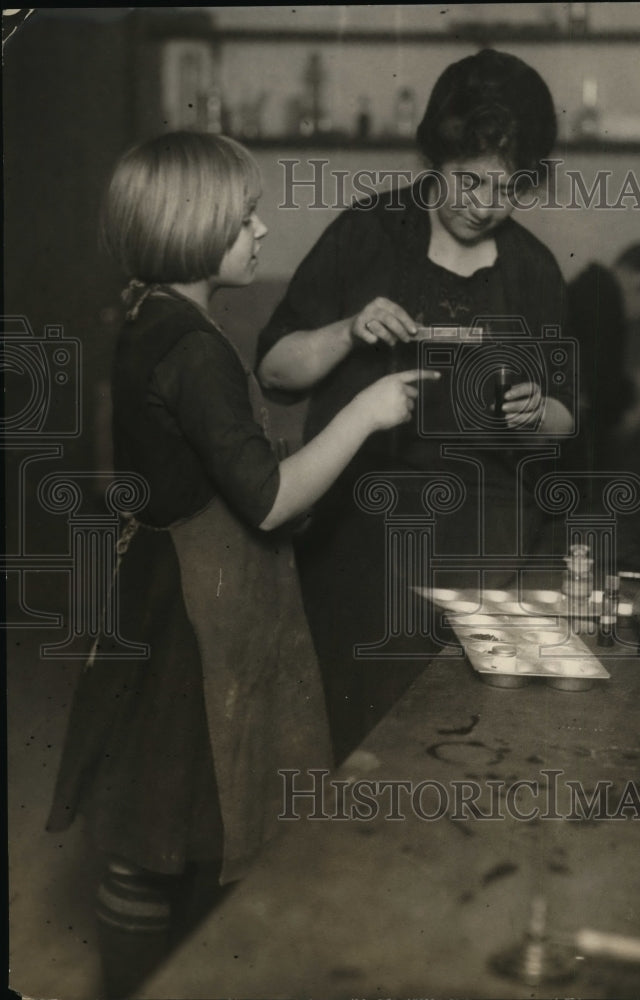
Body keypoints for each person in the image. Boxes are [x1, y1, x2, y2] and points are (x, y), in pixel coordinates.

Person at [45, 131, 435, 997]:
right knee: (172, 827)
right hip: (194, 620)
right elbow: (268, 499)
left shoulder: (151, 314)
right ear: (195, 231)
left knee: (156, 826)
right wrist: (368, 412)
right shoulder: (195, 350)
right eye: (245, 217)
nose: (262, 230)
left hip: (157, 596)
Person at [257, 50, 574, 762]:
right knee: (350, 745)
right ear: (435, 158)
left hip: (484, 550)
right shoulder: (367, 235)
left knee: (462, 749)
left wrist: (536, 408)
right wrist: (346, 329)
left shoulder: (533, 273)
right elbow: (276, 370)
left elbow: (568, 417)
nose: (484, 204)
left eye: (510, 188)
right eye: (467, 180)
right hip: (359, 545)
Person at [567, 238, 640, 469]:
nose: (638, 323)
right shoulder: (604, 307)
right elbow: (599, 395)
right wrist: (625, 402)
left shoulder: (588, 290)